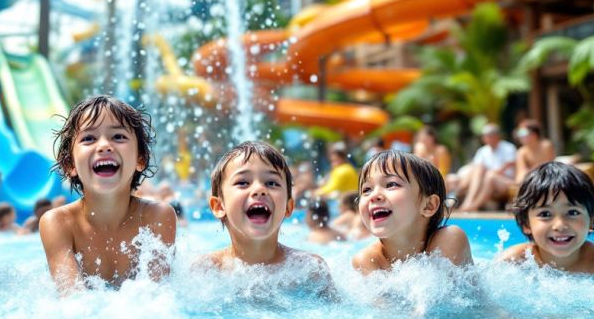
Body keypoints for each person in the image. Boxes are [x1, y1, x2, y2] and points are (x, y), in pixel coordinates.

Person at [39, 95, 176, 292]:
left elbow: (156, 298)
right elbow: (71, 301)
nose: (104, 145)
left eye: (118, 137)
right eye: (88, 138)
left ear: (140, 159)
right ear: (70, 165)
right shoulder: (59, 223)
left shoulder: (157, 216)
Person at [198, 141, 335, 294]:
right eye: (243, 182)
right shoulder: (207, 269)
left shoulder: (309, 269)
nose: (259, 189)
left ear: (288, 207)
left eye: (271, 183)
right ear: (219, 206)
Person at [353, 150, 473, 273]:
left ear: (429, 206)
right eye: (367, 189)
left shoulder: (449, 238)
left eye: (391, 184)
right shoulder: (368, 260)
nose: (374, 195)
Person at [500, 161, 594, 274]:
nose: (560, 225)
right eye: (545, 214)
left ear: (591, 220)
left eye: (572, 212)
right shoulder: (512, 263)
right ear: (526, 224)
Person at [455, 124, 517, 212]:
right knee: (477, 172)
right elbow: (477, 168)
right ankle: (468, 201)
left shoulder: (508, 147)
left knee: (490, 176)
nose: (487, 138)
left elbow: (507, 166)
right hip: (487, 179)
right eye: (486, 136)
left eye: (490, 135)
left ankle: (473, 205)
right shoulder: (482, 151)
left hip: (506, 181)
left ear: (497, 136)